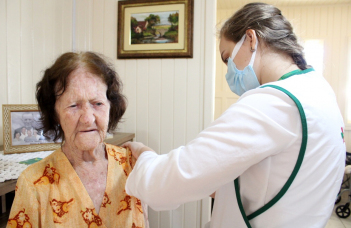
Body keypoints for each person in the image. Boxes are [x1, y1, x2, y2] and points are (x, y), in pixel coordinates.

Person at [123, 3, 345, 228]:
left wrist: (144, 156)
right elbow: (277, 182)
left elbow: (177, 177)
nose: (229, 70)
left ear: (251, 39)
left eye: (227, 58)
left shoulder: (273, 103)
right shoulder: (318, 91)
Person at [7, 52, 147, 228]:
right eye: (74, 105)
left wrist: (146, 153)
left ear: (111, 106)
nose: (88, 118)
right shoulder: (33, 183)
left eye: (98, 103)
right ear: (55, 113)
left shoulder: (133, 165)